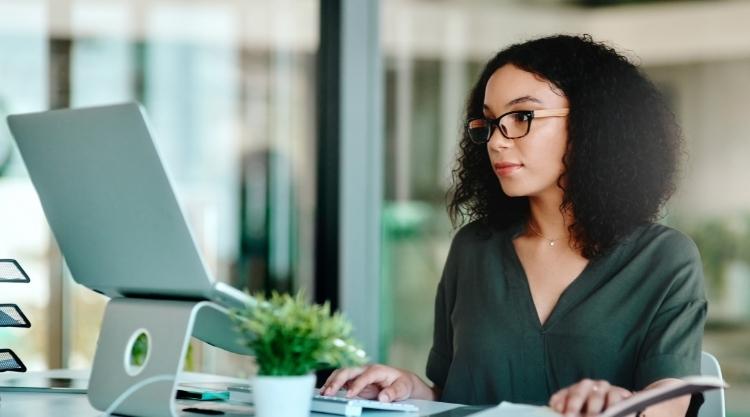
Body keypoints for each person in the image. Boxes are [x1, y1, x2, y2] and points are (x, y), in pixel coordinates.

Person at [320, 34, 707, 417]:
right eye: (489, 123)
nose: (496, 142)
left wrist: (621, 404)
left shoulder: (663, 257)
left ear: (593, 124)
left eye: (522, 117)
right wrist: (406, 389)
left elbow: (671, 399)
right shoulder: (474, 248)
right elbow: (452, 393)